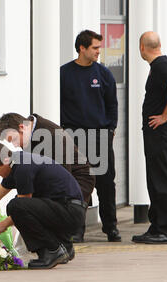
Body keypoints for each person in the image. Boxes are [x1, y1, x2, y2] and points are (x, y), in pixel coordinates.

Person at [0, 143, 87, 269]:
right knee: (17, 206)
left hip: (70, 211)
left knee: (16, 206)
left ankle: (51, 251)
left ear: (5, 160)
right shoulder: (17, 162)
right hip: (69, 210)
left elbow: (23, 205)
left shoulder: (23, 167)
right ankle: (64, 247)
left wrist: (3, 224)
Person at [60, 30, 121, 242]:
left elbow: (112, 105)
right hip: (74, 138)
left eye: (99, 47)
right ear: (82, 48)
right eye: (95, 48)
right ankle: (77, 229)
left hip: (100, 137)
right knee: (77, 185)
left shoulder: (103, 74)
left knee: (106, 183)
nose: (98, 51)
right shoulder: (64, 74)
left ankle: (111, 227)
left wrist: (111, 130)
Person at [0, 113, 95, 242]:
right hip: (58, 179)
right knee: (21, 204)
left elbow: (62, 175)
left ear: (21, 127)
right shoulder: (30, 135)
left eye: (14, 139)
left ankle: (58, 246)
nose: (15, 145)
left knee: (30, 207)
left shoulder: (52, 136)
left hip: (77, 179)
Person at [132, 31, 167, 244]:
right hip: (157, 134)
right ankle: (156, 226)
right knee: (155, 180)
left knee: (163, 180)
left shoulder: (162, 66)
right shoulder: (160, 65)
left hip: (163, 133)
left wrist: (165, 116)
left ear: (142, 47)